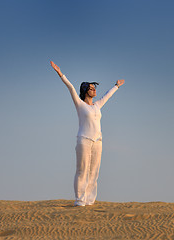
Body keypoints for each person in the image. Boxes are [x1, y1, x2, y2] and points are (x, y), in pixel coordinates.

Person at [50, 61, 125, 207]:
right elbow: (70, 87)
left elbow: (107, 96)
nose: (94, 90)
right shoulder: (80, 104)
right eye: (91, 88)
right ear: (85, 91)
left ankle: (90, 200)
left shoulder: (97, 105)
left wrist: (116, 86)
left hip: (98, 141)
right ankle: (79, 200)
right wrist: (60, 73)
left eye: (94, 88)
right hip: (84, 140)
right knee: (82, 170)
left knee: (94, 172)